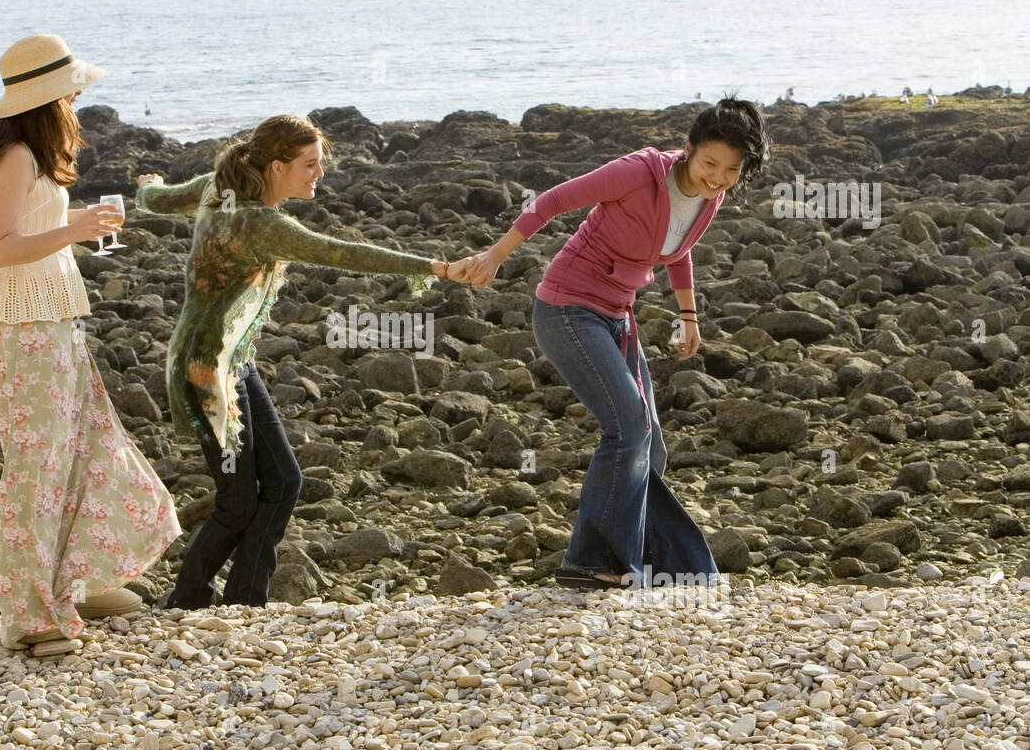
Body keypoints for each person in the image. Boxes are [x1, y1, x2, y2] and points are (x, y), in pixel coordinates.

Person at [135, 115, 468, 609]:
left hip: (233, 361)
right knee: (237, 501)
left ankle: (245, 602)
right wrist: (434, 268)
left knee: (284, 481)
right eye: (310, 165)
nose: (319, 174)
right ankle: (188, 602)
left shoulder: (216, 188)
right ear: (277, 165)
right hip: (205, 371)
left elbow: (161, 200)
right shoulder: (259, 224)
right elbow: (341, 253)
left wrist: (149, 187)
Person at [461, 97, 769, 591]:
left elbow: (678, 251)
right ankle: (591, 561)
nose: (717, 176)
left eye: (731, 170)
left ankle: (639, 560)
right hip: (567, 307)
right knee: (628, 429)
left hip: (616, 317)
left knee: (652, 449)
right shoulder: (639, 172)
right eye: (710, 163)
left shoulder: (711, 196)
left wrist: (688, 316)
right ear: (687, 150)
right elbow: (554, 200)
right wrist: (495, 256)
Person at [0, 33, 183, 648]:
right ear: (48, 99)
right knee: (36, 469)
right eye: (71, 92)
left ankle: (81, 581)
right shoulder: (13, 157)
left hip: (50, 321)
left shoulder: (23, 156)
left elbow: (4, 235)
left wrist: (70, 226)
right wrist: (76, 229)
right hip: (25, 328)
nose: (78, 101)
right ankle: (29, 617)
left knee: (86, 445)